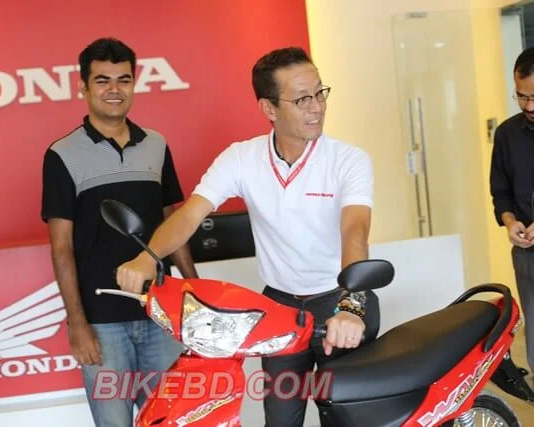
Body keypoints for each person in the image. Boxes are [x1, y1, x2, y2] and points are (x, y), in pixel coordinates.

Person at [116, 47, 380, 427]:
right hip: (281, 307)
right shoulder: (241, 158)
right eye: (302, 99)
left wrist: (351, 307)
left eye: (320, 93)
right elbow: (190, 215)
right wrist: (147, 258)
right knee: (281, 419)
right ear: (268, 108)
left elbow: (355, 231)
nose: (316, 107)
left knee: (345, 416)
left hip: (339, 300)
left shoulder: (348, 160)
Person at [40, 37, 198, 427]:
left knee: (171, 420)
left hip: (160, 312)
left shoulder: (156, 145)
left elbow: (174, 224)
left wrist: (195, 292)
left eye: (123, 80)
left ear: (134, 83)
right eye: (102, 80)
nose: (115, 90)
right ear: (83, 86)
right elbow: (61, 248)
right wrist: (77, 323)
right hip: (101, 323)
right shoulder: (62, 155)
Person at [490, 47, 534, 379]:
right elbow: (500, 190)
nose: (529, 107)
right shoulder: (507, 134)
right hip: (527, 253)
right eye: (522, 97)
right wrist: (509, 222)